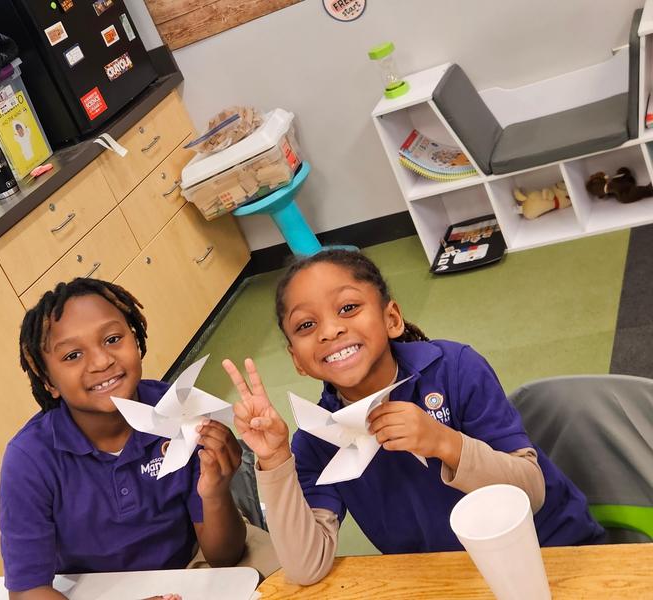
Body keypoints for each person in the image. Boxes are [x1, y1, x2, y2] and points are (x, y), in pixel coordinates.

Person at [223, 249, 604, 586]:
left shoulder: (455, 368)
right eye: (306, 325)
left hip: (553, 554)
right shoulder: (316, 438)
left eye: (348, 308)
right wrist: (274, 459)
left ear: (391, 319)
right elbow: (307, 568)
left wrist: (445, 443)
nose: (331, 330)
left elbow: (532, 491)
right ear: (297, 360)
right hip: (446, 582)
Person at [0, 278, 246, 599]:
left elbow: (224, 557)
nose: (102, 362)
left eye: (113, 339)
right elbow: (28, 591)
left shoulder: (182, 413)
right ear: (48, 381)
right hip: (93, 591)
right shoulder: (28, 460)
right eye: (73, 355)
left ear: (137, 339)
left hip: (188, 570)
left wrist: (216, 494)